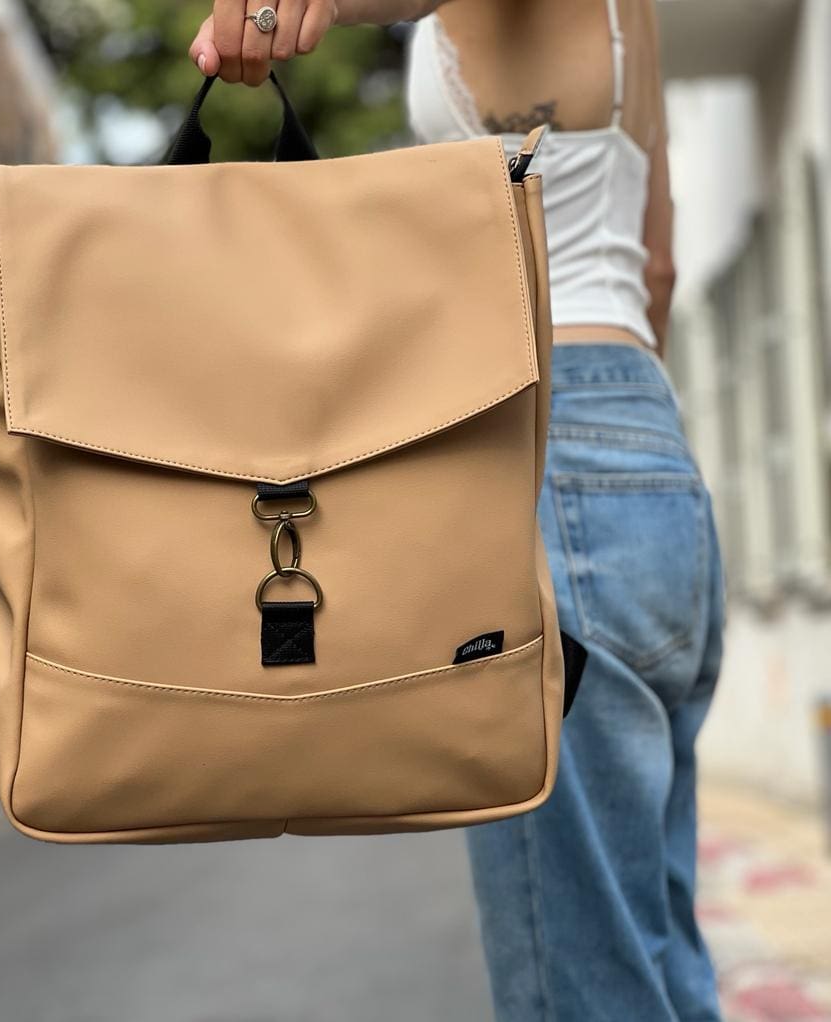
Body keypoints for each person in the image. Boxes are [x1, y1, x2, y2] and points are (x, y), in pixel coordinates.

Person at [189, 3, 726, 1020]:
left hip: (548, 453)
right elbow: (656, 267)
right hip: (653, 452)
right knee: (659, 957)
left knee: (581, 982)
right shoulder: (632, 17)